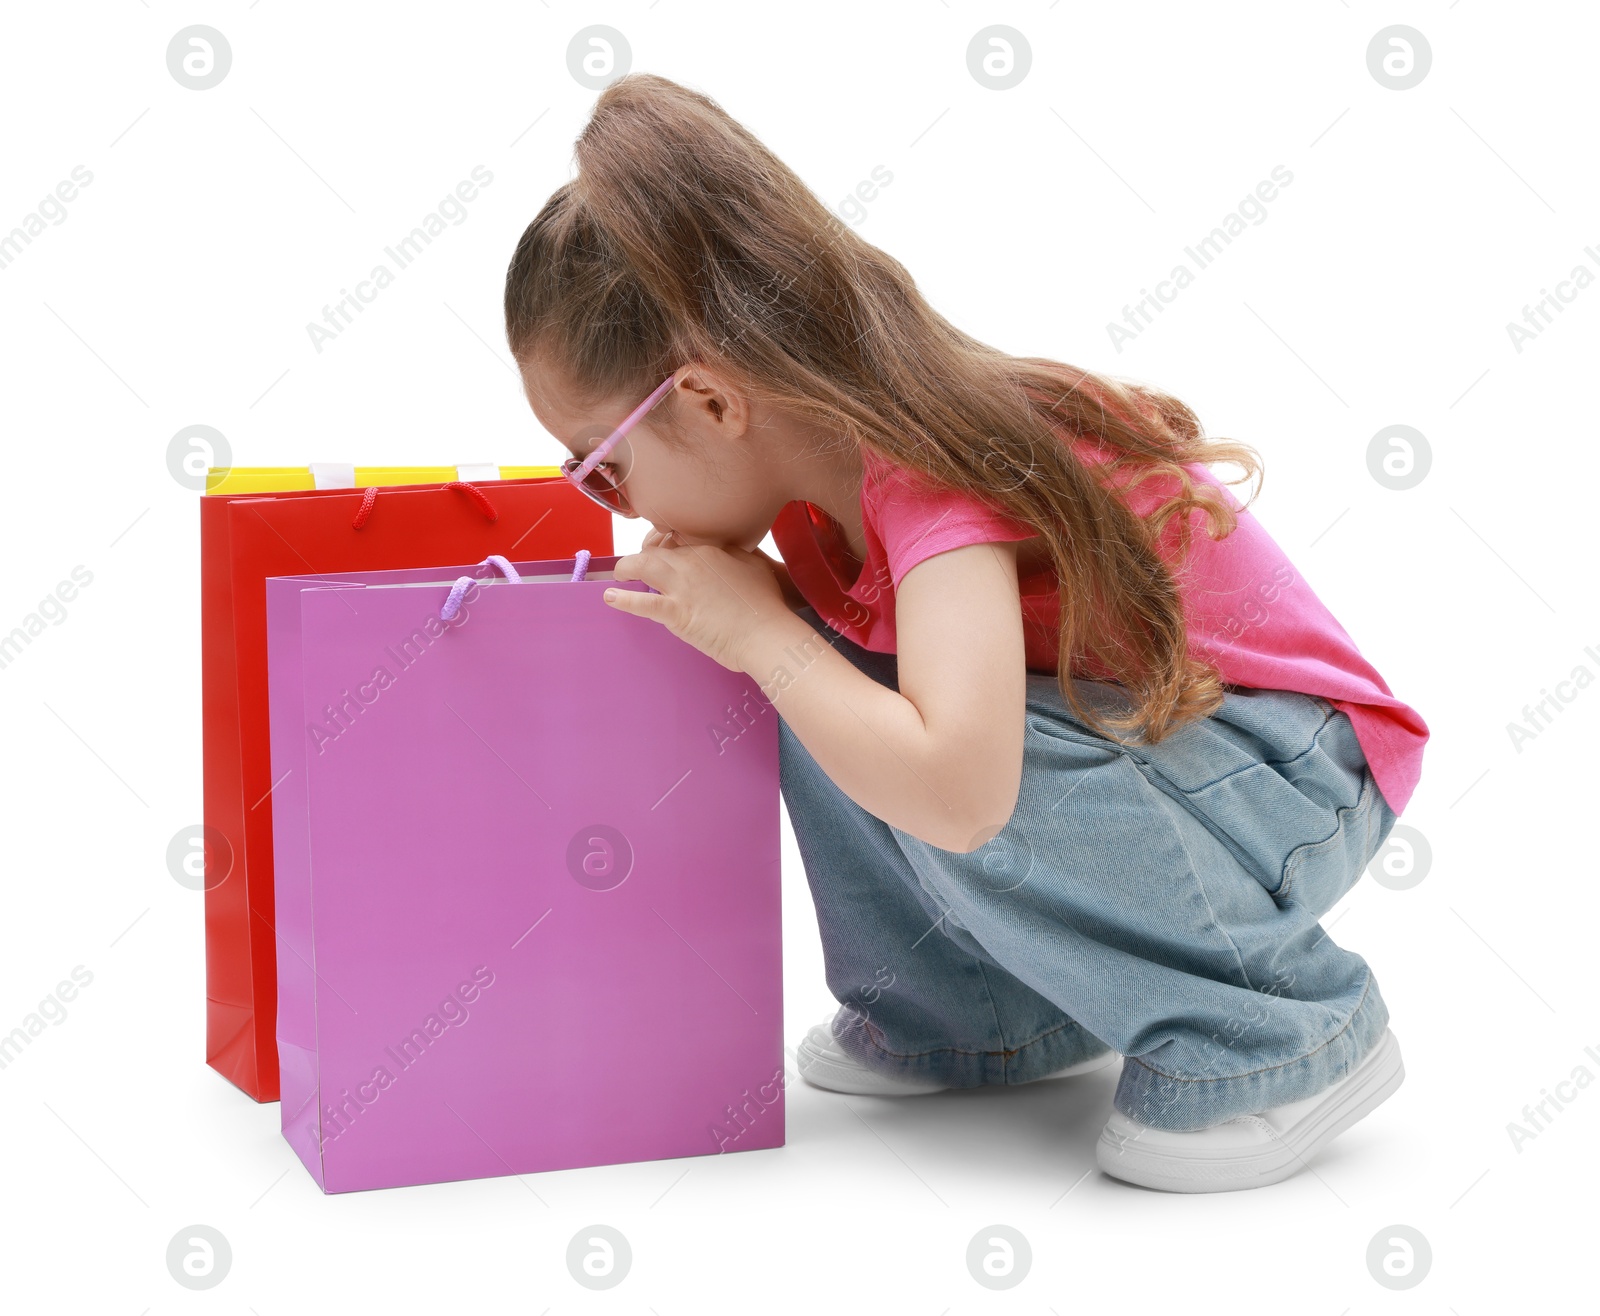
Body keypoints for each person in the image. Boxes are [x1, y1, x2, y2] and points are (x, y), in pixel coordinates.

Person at [503, 73, 1427, 1193]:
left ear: (707, 400)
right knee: (821, 670)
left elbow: (959, 786)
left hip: (1293, 771)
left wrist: (766, 637)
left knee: (886, 706)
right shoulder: (813, 488)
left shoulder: (930, 475)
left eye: (602, 464)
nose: (613, 503)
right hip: (1170, 752)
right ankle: (974, 1015)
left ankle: (1278, 1037)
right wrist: (774, 636)